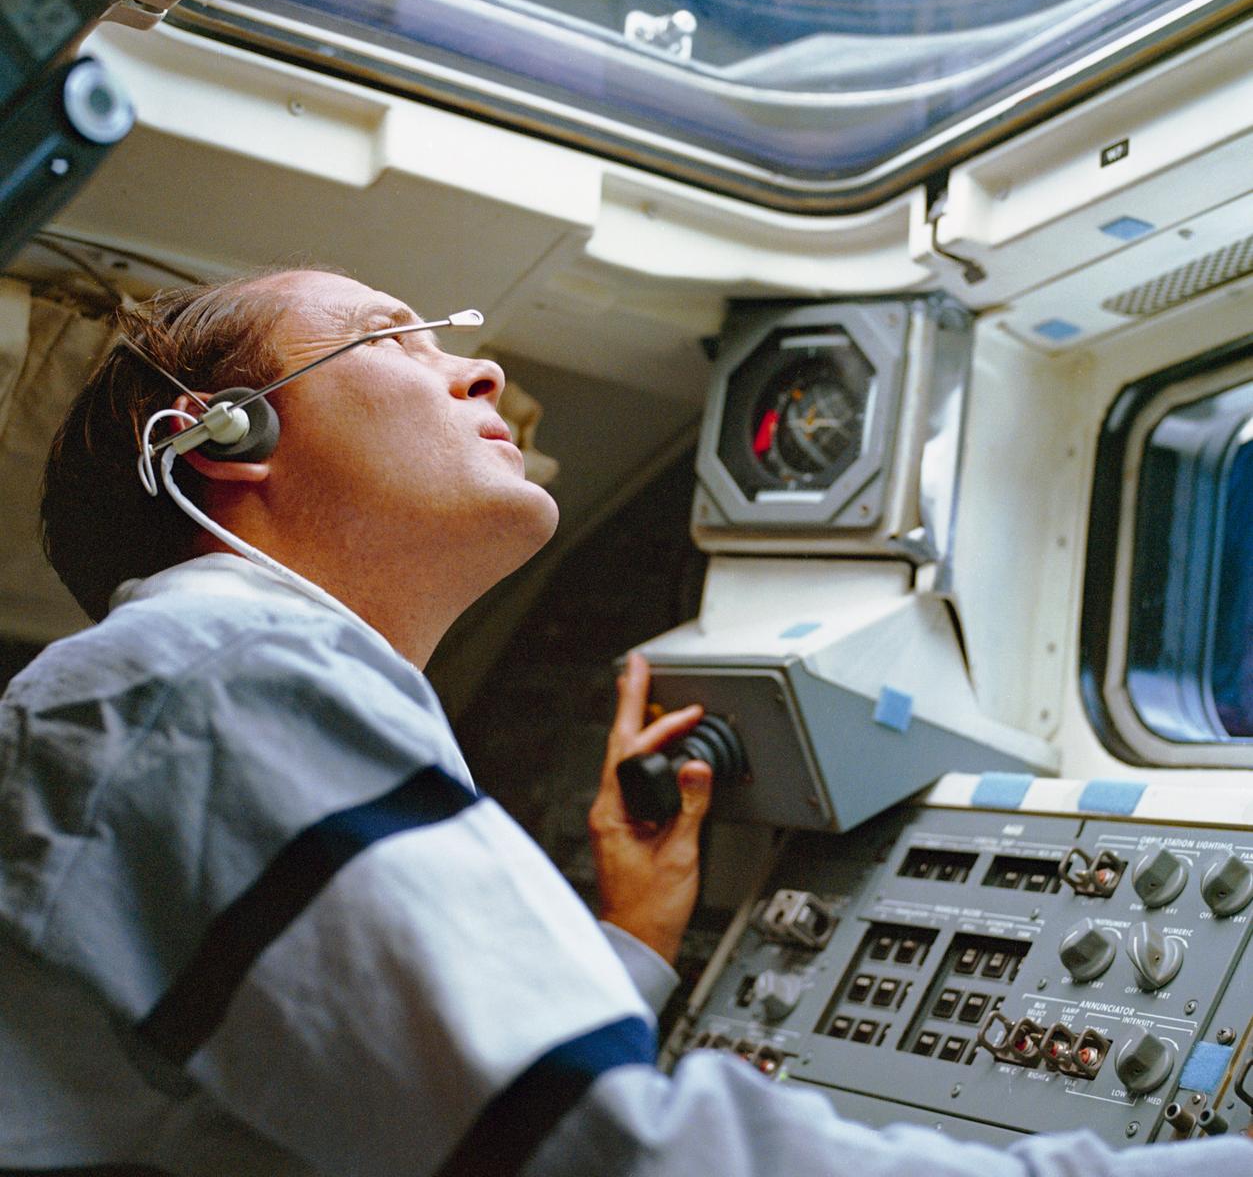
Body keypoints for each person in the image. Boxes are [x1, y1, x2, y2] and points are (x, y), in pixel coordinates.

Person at [0, 269, 1247, 1177]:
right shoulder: (211, 673)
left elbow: (373, 1101)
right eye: (392, 337)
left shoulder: (197, 682)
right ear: (225, 441)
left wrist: (633, 934)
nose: (478, 369)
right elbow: (604, 1158)